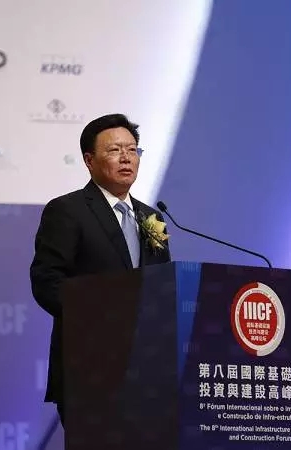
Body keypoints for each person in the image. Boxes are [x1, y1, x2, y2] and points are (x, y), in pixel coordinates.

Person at [29, 113, 171, 427]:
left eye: (132, 150)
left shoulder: (152, 218)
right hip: (89, 368)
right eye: (115, 150)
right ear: (89, 160)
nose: (126, 158)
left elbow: (162, 285)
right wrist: (102, 316)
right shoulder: (67, 210)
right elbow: (47, 281)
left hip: (148, 373)